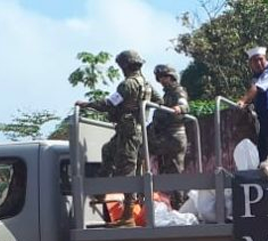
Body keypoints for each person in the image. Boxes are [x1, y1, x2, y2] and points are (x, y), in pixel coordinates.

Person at [76, 50, 154, 227]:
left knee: (127, 171)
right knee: (108, 150)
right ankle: (101, 191)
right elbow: (158, 101)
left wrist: (88, 104)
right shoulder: (147, 85)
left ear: (125, 66)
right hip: (133, 130)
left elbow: (109, 103)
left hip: (130, 133)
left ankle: (128, 216)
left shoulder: (128, 84)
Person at [150, 63, 190, 208]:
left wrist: (179, 107)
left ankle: (180, 203)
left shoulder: (178, 91)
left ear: (171, 77)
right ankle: (175, 202)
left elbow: (184, 104)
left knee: (175, 170)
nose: (161, 80)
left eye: (164, 77)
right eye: (159, 77)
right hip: (166, 135)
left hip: (174, 136)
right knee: (170, 170)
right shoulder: (166, 95)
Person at [237, 46, 268, 164]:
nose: (258, 63)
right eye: (255, 61)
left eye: (261, 59)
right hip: (263, 116)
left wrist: (243, 100)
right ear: (250, 63)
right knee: (262, 147)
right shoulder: (256, 76)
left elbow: (257, 88)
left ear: (265, 58)